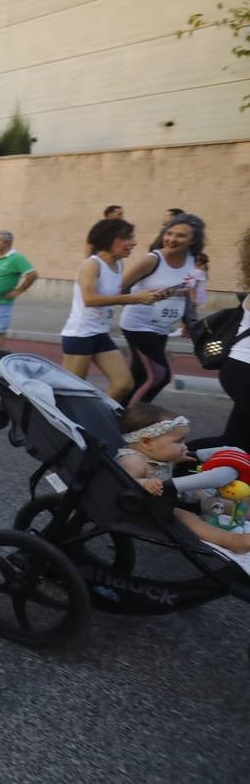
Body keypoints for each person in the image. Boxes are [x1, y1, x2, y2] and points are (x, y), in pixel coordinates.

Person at [117, 403, 249, 553]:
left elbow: (161, 466)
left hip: (169, 495)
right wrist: (143, 482)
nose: (184, 446)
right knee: (183, 516)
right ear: (147, 442)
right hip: (147, 506)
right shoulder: (132, 461)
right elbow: (122, 481)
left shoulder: (154, 455)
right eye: (178, 441)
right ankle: (232, 541)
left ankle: (242, 512)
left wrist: (182, 459)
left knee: (209, 496)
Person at [59, 218, 164, 401]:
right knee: (70, 391)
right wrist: (133, 298)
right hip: (80, 334)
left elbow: (113, 298)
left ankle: (98, 418)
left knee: (123, 384)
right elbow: (90, 299)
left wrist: (149, 296)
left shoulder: (118, 265)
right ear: (109, 239)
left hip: (100, 333)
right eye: (127, 238)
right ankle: (57, 425)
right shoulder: (91, 265)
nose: (134, 243)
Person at [120, 213, 204, 404]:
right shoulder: (152, 259)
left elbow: (187, 294)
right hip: (138, 325)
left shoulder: (193, 260)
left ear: (193, 240)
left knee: (140, 375)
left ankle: (121, 414)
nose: (172, 239)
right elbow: (120, 289)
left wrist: (189, 322)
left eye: (181, 235)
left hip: (163, 326)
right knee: (159, 375)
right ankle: (131, 417)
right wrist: (147, 294)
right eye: (169, 233)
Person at [188, 231, 249, 454]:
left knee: (234, 442)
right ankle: (166, 462)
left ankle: (172, 461)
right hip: (244, 370)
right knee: (237, 443)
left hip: (239, 370)